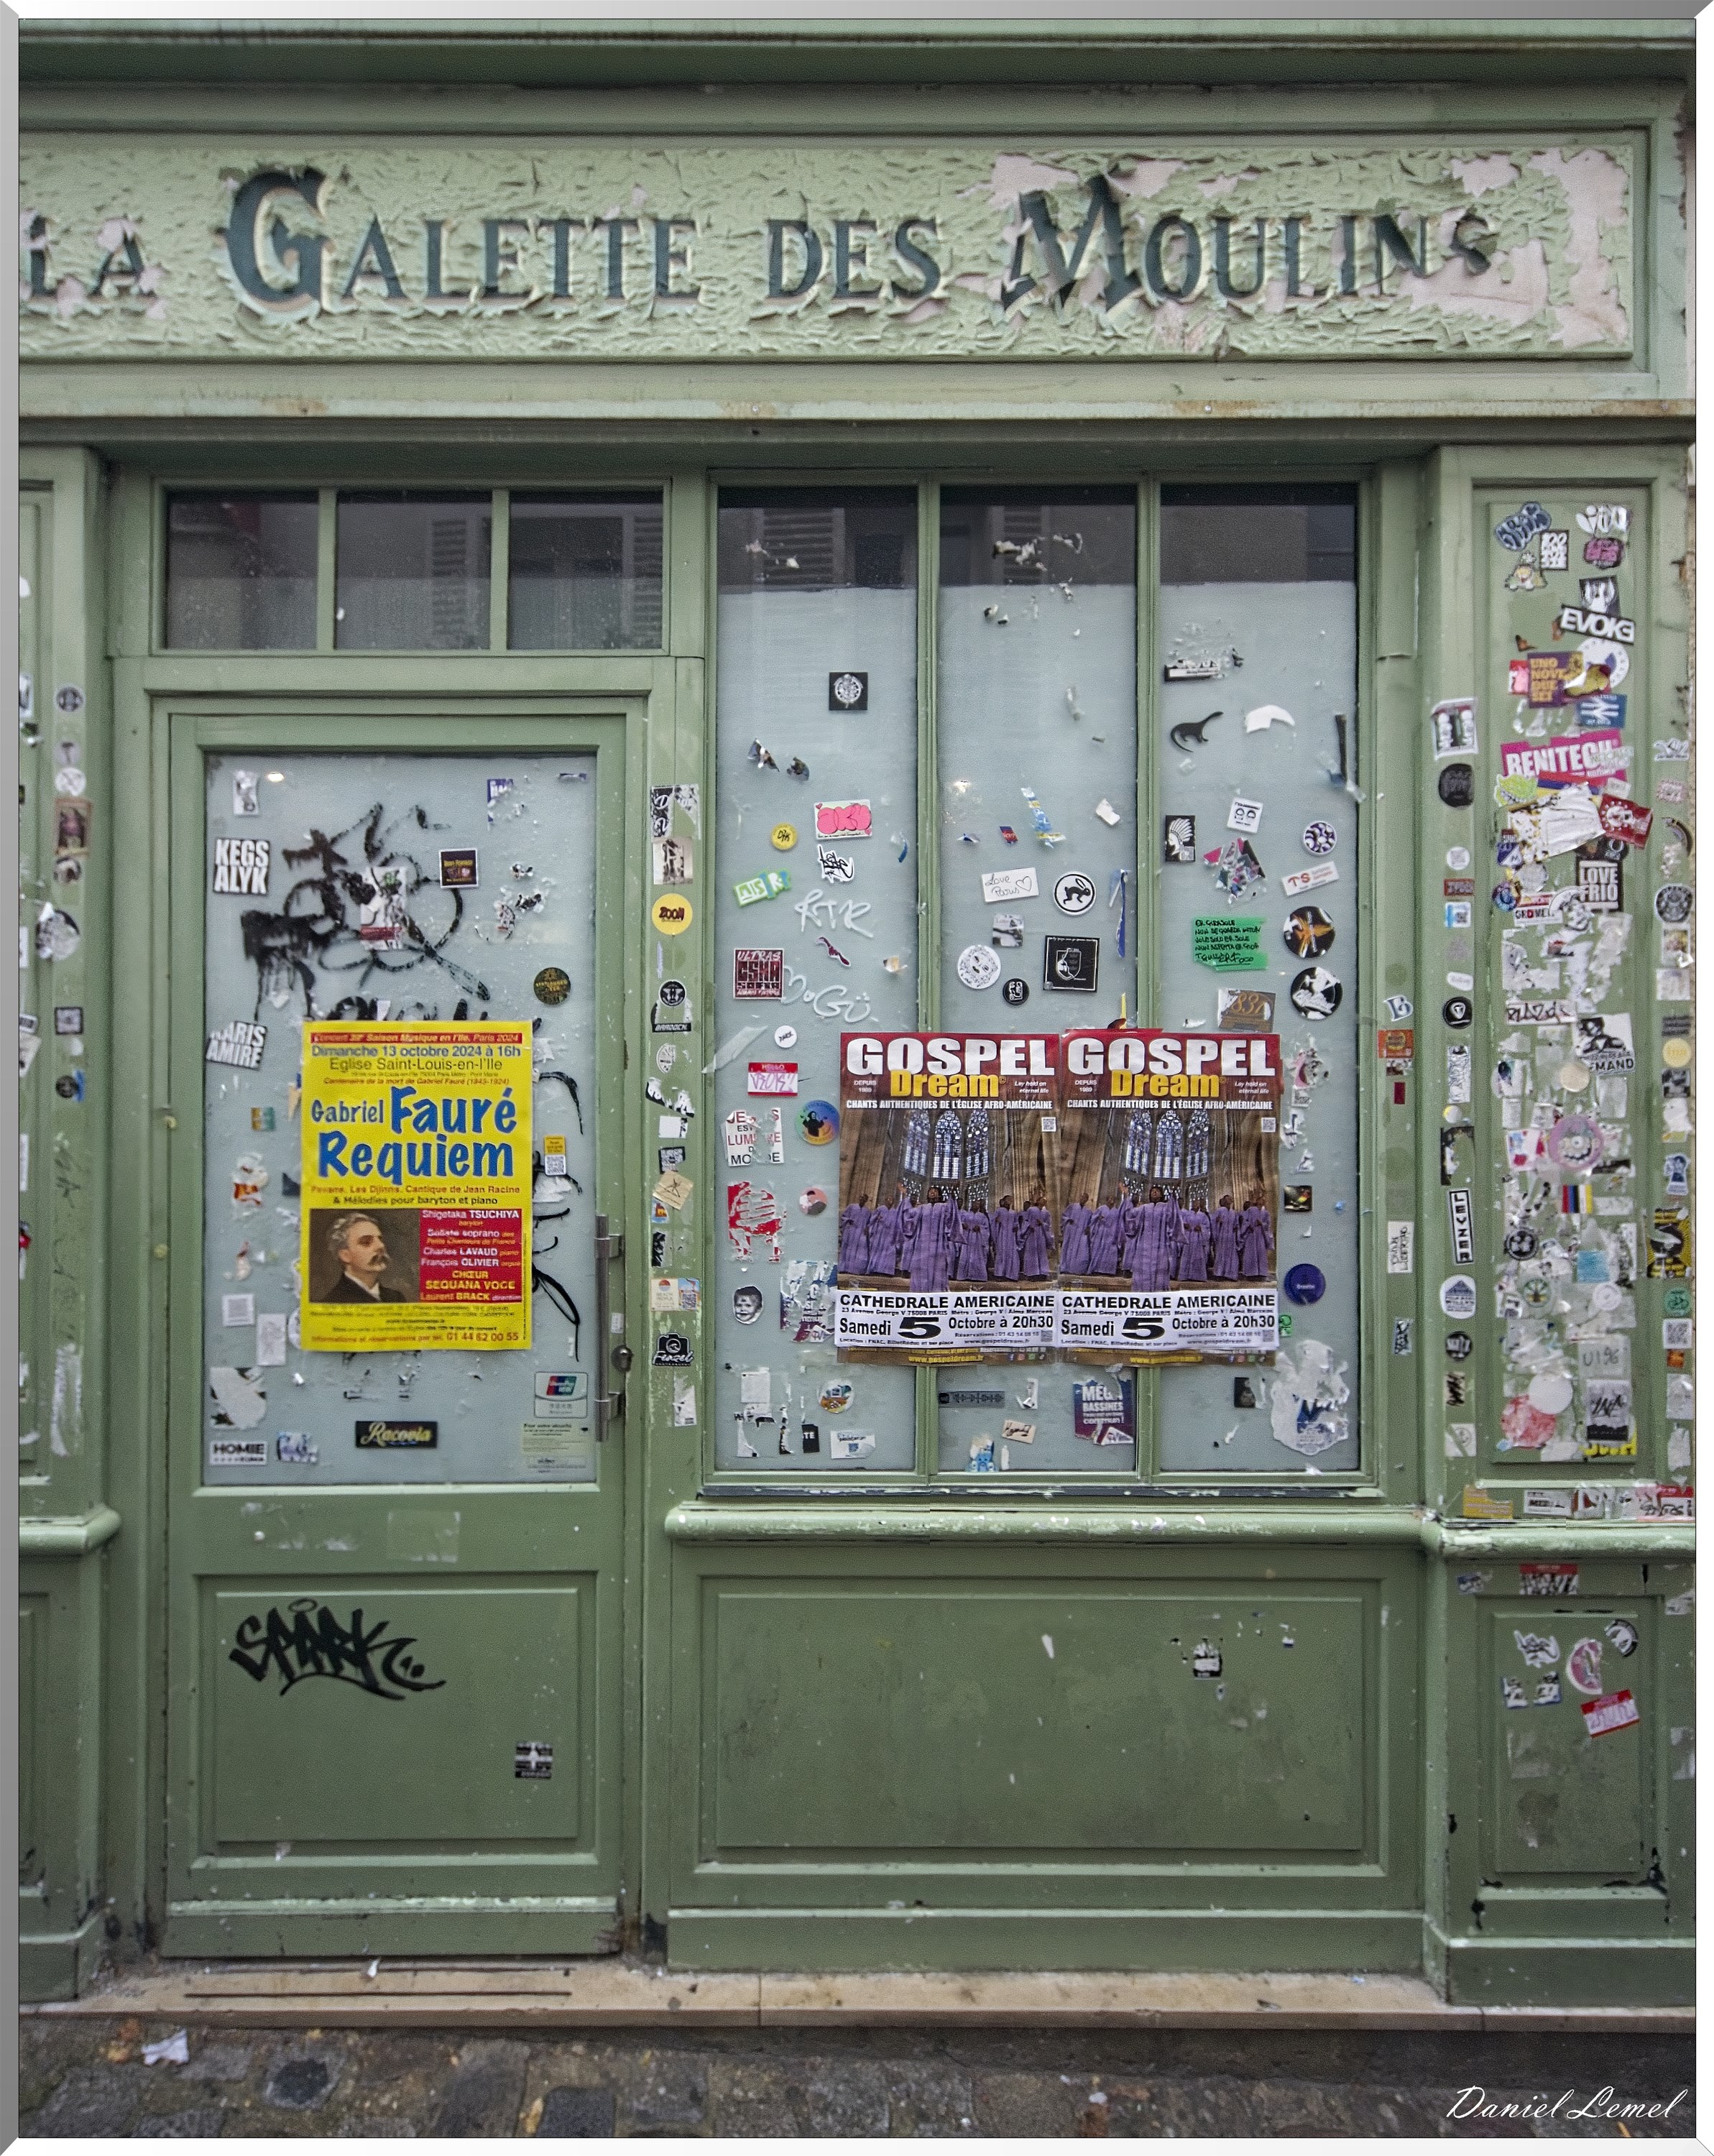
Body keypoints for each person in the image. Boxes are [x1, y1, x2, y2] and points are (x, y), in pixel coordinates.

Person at [321, 1212, 408, 1302]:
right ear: (345, 1256)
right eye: (366, 1242)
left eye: (380, 1239)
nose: (381, 1246)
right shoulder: (333, 1301)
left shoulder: (396, 1298)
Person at [908, 1184, 958, 1292]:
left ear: (939, 1195)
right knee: (921, 1265)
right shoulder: (922, 1208)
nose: (932, 1192)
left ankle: (937, 1290)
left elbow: (951, 1215)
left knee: (938, 1266)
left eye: (935, 1191)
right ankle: (920, 1290)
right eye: (930, 1191)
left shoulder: (943, 1207)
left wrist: (952, 1195)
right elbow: (911, 1221)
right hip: (923, 1243)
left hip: (938, 1243)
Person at [1130, 1184, 1178, 1293]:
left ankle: (1159, 1292)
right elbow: (1130, 1215)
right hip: (1144, 1244)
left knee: (1160, 1267)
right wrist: (1128, 1198)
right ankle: (1141, 1291)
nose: (1154, 1193)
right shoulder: (1144, 1208)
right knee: (1143, 1266)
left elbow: (1173, 1218)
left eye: (1157, 1191)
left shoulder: (1165, 1207)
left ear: (1161, 1195)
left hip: (1161, 1244)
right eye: (1152, 1191)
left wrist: (1173, 1196)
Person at [865, 1184, 906, 1277]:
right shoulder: (880, 1209)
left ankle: (886, 1271)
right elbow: (872, 1220)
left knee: (889, 1252)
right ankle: (874, 1269)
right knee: (877, 1251)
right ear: (885, 1200)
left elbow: (898, 1226)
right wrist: (877, 1219)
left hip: (890, 1236)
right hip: (879, 1235)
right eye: (889, 1199)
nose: (890, 1201)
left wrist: (897, 1237)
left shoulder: (895, 1212)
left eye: (892, 1200)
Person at [1239, 1187, 1275, 1279]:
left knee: (1261, 1253)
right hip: (1251, 1235)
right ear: (1257, 1200)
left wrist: (1262, 1224)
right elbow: (1245, 1220)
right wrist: (1248, 1226)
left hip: (1261, 1236)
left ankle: (1261, 1273)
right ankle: (1250, 1273)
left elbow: (1268, 1225)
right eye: (1261, 1200)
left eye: (1264, 1200)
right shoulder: (1251, 1210)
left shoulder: (1266, 1213)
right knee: (1251, 1253)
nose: (1262, 1202)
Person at [1019, 1189, 1055, 1279]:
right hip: (1032, 1234)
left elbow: (1049, 1225)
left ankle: (1042, 1273)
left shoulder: (1046, 1213)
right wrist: (1029, 1226)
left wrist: (1042, 1223)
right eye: (1043, 1200)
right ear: (1038, 1201)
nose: (1044, 1202)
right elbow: (1026, 1221)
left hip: (1041, 1234)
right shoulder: (1031, 1210)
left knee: (1041, 1253)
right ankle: (1032, 1274)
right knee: (1032, 1253)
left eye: (1045, 1201)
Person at [1175, 1197, 1212, 1283]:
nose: (1195, 1205)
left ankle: (1198, 1276)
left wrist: (1201, 1228)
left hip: (1198, 1238)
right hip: (1189, 1237)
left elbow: (1207, 1227)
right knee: (1187, 1255)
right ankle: (1185, 1275)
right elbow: (1182, 1223)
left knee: (1198, 1256)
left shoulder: (1203, 1215)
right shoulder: (1188, 1214)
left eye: (1197, 1204)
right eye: (1194, 1203)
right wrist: (1185, 1225)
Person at [954, 1197, 992, 1281]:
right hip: (967, 1238)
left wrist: (980, 1228)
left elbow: (986, 1228)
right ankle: (964, 1276)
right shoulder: (966, 1215)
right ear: (971, 1205)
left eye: (978, 1204)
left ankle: (978, 1277)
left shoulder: (982, 1216)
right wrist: (963, 1225)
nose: (976, 1206)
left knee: (978, 1257)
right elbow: (959, 1223)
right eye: (974, 1204)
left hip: (978, 1239)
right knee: (966, 1256)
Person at [1085, 1192, 1123, 1276]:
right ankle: (1096, 1269)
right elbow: (1093, 1219)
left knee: (1110, 1252)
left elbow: (1119, 1224)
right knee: (1098, 1250)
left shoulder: (1117, 1212)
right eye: (1110, 1198)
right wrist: (1098, 1219)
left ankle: (1108, 1271)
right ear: (1107, 1200)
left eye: (1114, 1199)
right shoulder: (1101, 1209)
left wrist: (1118, 1236)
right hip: (1101, 1233)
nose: (1112, 1200)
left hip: (1112, 1234)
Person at [837, 1195, 871, 1276]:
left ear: (866, 1201)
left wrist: (867, 1228)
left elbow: (869, 1223)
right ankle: (844, 1268)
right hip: (851, 1231)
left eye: (864, 1199)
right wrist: (848, 1220)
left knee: (860, 1251)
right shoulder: (852, 1207)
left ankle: (856, 1269)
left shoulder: (867, 1212)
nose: (862, 1200)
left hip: (861, 1233)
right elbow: (844, 1216)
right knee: (848, 1249)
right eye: (861, 1198)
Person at [990, 1195, 1022, 1281]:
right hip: (1002, 1235)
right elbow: (993, 1222)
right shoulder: (999, 1211)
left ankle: (1011, 1275)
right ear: (1004, 1201)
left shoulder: (1013, 1213)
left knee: (1012, 1254)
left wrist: (1016, 1227)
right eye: (1008, 1200)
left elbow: (1016, 1223)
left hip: (1011, 1236)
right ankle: (999, 1274)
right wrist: (997, 1222)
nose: (1009, 1202)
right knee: (1002, 1253)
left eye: (1011, 1200)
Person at [1210, 1192, 1241, 1281]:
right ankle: (1219, 1274)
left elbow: (1236, 1224)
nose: (1229, 1200)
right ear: (1224, 1200)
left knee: (1231, 1255)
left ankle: (1230, 1274)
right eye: (1227, 1199)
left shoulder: (1233, 1212)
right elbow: (1213, 1222)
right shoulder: (1220, 1211)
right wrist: (1217, 1222)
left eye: (1230, 1199)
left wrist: (1236, 1228)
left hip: (1231, 1237)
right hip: (1222, 1236)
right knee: (1221, 1254)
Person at [1060, 1192, 1092, 1275]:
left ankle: (1078, 1269)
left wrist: (1089, 1228)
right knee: (1069, 1249)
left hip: (1082, 1233)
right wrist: (1068, 1219)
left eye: (1085, 1198)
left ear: (1087, 1200)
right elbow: (1064, 1216)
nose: (1083, 1199)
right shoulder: (1072, 1207)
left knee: (1082, 1251)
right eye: (1082, 1197)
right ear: (1080, 1197)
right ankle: (1065, 1268)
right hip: (1071, 1231)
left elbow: (1091, 1222)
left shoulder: (1088, 1211)